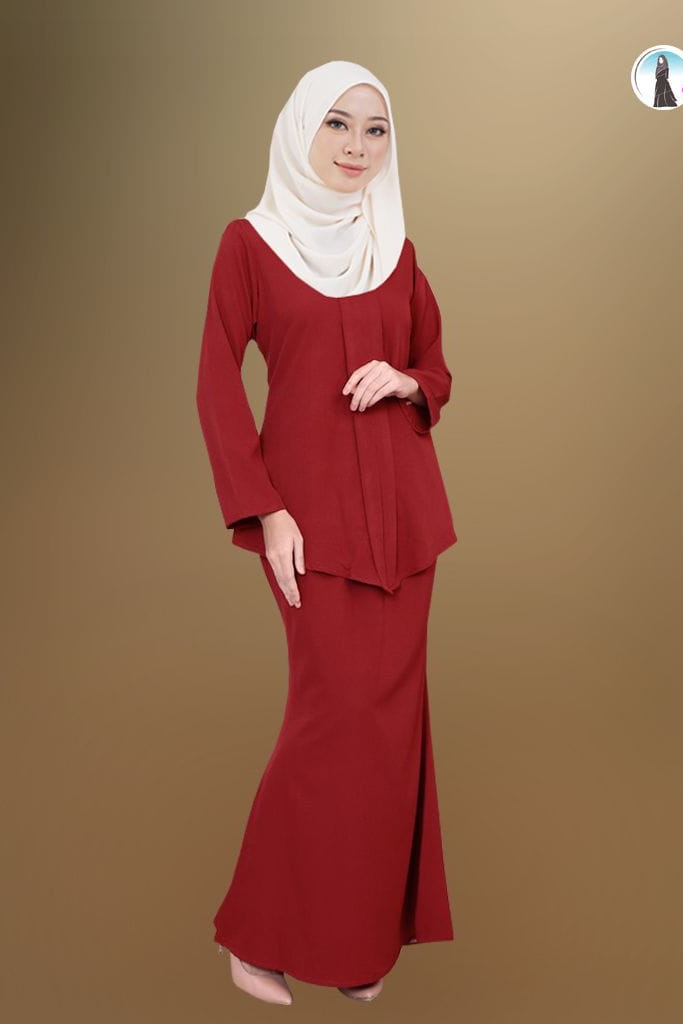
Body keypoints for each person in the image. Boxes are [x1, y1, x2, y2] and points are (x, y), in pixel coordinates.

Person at [195, 59, 458, 1005]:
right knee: (330, 720)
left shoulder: (394, 246)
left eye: (376, 130)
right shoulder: (250, 243)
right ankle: (254, 936)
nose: (357, 146)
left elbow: (435, 367)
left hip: (405, 519)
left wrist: (407, 381)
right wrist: (265, 511)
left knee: (388, 731)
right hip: (310, 524)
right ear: (302, 128)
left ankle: (358, 947)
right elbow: (215, 385)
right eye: (338, 124)